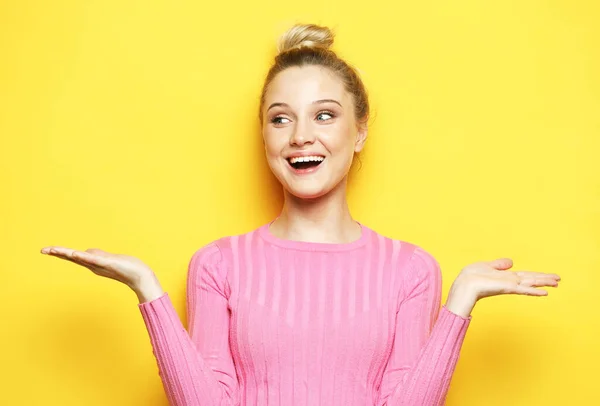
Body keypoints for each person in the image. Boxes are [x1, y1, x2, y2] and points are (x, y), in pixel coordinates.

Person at [40, 23, 561, 406]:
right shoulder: (219, 264)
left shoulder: (411, 269)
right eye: (280, 118)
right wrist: (148, 289)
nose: (300, 136)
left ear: (359, 133)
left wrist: (460, 304)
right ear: (264, 136)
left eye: (325, 115)